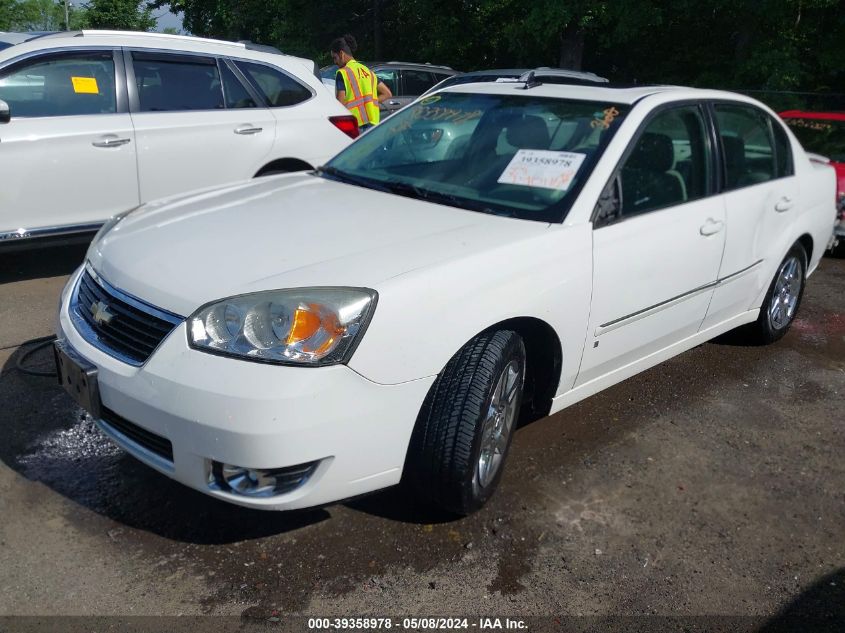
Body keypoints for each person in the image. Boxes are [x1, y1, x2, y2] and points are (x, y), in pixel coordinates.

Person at [330, 34, 392, 131]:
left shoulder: (343, 73)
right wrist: (370, 102)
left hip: (354, 125)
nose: (335, 62)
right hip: (373, 124)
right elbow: (387, 94)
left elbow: (340, 104)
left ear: (341, 54)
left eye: (335, 58)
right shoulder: (368, 71)